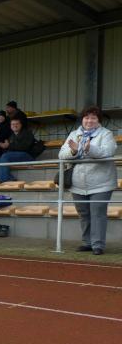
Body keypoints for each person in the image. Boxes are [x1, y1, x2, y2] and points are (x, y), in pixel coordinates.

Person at [58, 106, 117, 255]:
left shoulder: (106, 134)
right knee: (83, 214)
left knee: (98, 214)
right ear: (82, 119)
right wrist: (74, 150)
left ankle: (98, 245)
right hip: (77, 183)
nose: (89, 121)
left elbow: (108, 152)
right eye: (86, 117)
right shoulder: (74, 134)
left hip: (101, 183)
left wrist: (89, 149)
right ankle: (87, 242)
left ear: (98, 120)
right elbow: (61, 154)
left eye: (93, 118)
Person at [0, 117, 35, 183]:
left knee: (5, 156)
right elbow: (9, 148)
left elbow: (25, 147)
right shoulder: (11, 136)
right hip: (16, 156)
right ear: (10, 126)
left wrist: (9, 146)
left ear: (21, 125)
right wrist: (6, 147)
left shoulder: (27, 133)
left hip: (27, 155)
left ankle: (4, 179)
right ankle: (10, 178)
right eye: (13, 124)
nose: (15, 125)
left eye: (17, 124)